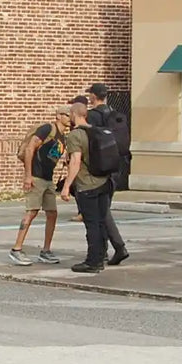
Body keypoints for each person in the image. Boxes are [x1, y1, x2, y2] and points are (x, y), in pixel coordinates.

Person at [10, 106, 70, 265]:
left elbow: (52, 156)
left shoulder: (63, 137)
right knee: (31, 212)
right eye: (66, 115)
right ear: (58, 116)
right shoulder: (47, 129)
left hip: (48, 179)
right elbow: (30, 148)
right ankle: (16, 249)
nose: (69, 118)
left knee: (52, 213)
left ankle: (46, 250)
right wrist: (28, 175)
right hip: (36, 177)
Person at [58, 103, 112, 273]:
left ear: (74, 114)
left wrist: (66, 186)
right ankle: (102, 256)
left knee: (92, 223)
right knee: (101, 221)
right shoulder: (96, 131)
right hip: (104, 181)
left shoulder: (76, 135)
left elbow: (75, 162)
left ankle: (92, 262)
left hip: (87, 184)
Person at [85, 83, 131, 265]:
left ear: (93, 97)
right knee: (103, 209)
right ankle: (106, 250)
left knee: (100, 211)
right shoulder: (115, 115)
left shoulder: (93, 116)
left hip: (99, 169)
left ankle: (116, 247)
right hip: (116, 166)